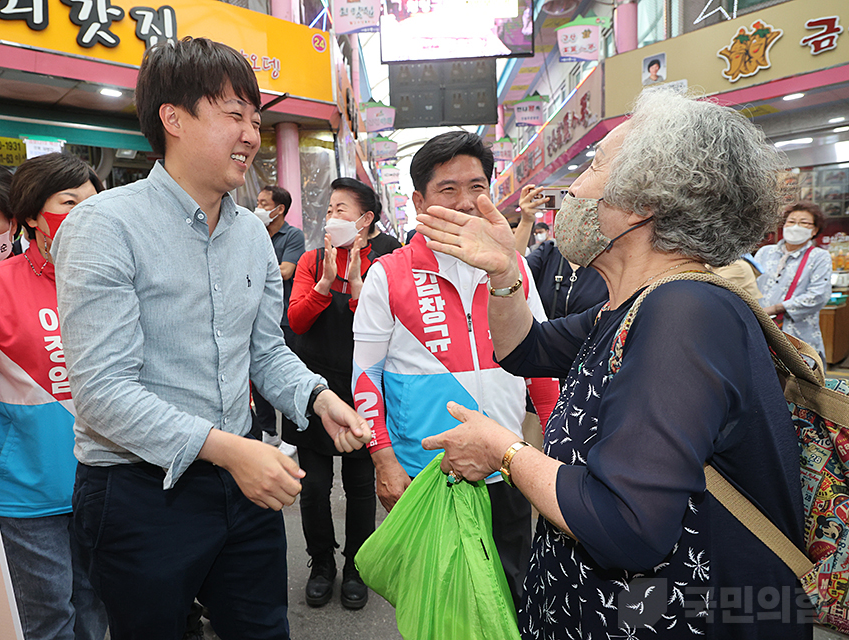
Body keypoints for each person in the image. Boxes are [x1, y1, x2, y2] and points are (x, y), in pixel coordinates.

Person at [415, 88, 808, 639]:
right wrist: (505, 271)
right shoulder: (631, 306)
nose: (572, 188)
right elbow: (525, 349)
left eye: (595, 164)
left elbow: (627, 523)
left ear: (644, 202)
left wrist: (503, 449)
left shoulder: (684, 313)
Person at [51, 37, 369, 640]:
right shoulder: (103, 227)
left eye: (256, 117)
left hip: (243, 478)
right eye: (233, 115)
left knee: (262, 629)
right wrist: (230, 449)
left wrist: (318, 398)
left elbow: (265, 351)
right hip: (138, 491)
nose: (251, 133)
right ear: (172, 118)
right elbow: (101, 392)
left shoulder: (253, 233)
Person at [352, 131, 548, 608]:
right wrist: (384, 462)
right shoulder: (388, 273)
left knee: (512, 598)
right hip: (429, 476)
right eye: (449, 189)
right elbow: (364, 377)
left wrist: (557, 451)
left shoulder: (510, 266)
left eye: (478, 187)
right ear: (419, 200)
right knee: (440, 607)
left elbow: (542, 366)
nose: (466, 202)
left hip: (508, 467)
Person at [0, 152, 107, 640]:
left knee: (96, 611)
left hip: (104, 485)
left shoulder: (112, 282)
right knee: (47, 619)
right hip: (25, 495)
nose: (86, 216)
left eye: (94, 205)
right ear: (33, 216)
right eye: (70, 203)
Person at [285, 177, 381, 610]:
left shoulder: (384, 264)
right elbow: (297, 322)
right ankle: (321, 563)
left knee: (361, 486)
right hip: (315, 388)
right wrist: (325, 283)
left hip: (362, 387)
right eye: (329, 210)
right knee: (314, 487)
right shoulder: (309, 262)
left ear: (365, 220)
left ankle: (357, 566)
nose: (331, 218)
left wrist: (358, 286)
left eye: (341, 210)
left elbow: (384, 333)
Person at [250, 184, 305, 456]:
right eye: (257, 203)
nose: (258, 208)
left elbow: (285, 271)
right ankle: (269, 432)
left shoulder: (293, 236)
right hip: (254, 315)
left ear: (279, 209)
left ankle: (293, 435)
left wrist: (252, 262)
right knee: (256, 378)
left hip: (284, 316)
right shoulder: (251, 232)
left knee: (285, 374)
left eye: (263, 203)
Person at [756, 201, 832, 362]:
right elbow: (750, 284)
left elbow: (818, 295)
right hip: (761, 330)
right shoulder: (765, 252)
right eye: (791, 221)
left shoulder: (819, 256)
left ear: (814, 230)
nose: (796, 226)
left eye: (804, 223)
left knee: (797, 381)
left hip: (797, 335)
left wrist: (776, 308)